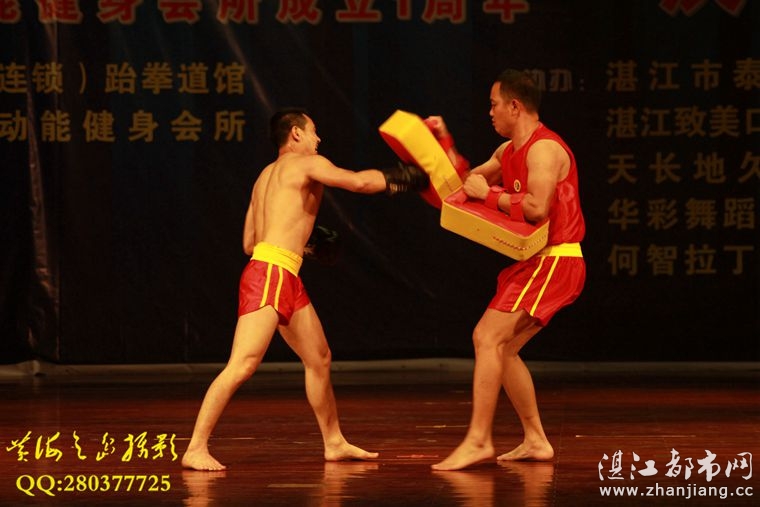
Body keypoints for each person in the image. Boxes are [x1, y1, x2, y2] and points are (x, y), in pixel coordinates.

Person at [182, 108, 428, 471]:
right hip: (271, 274)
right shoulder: (306, 164)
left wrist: (304, 244)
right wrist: (408, 178)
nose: (318, 139)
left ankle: (334, 442)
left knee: (319, 357)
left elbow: (249, 242)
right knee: (243, 363)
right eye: (313, 132)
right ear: (296, 134)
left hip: (280, 272)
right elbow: (358, 183)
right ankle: (195, 447)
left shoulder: (263, 177)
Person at [425, 69, 586, 471]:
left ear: (515, 106)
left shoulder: (543, 150)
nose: (490, 112)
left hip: (556, 259)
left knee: (486, 336)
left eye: (494, 104)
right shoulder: (506, 151)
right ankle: (536, 440)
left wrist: (491, 196)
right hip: (535, 261)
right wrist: (442, 143)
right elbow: (465, 185)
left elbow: (536, 208)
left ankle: (479, 440)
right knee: (504, 349)